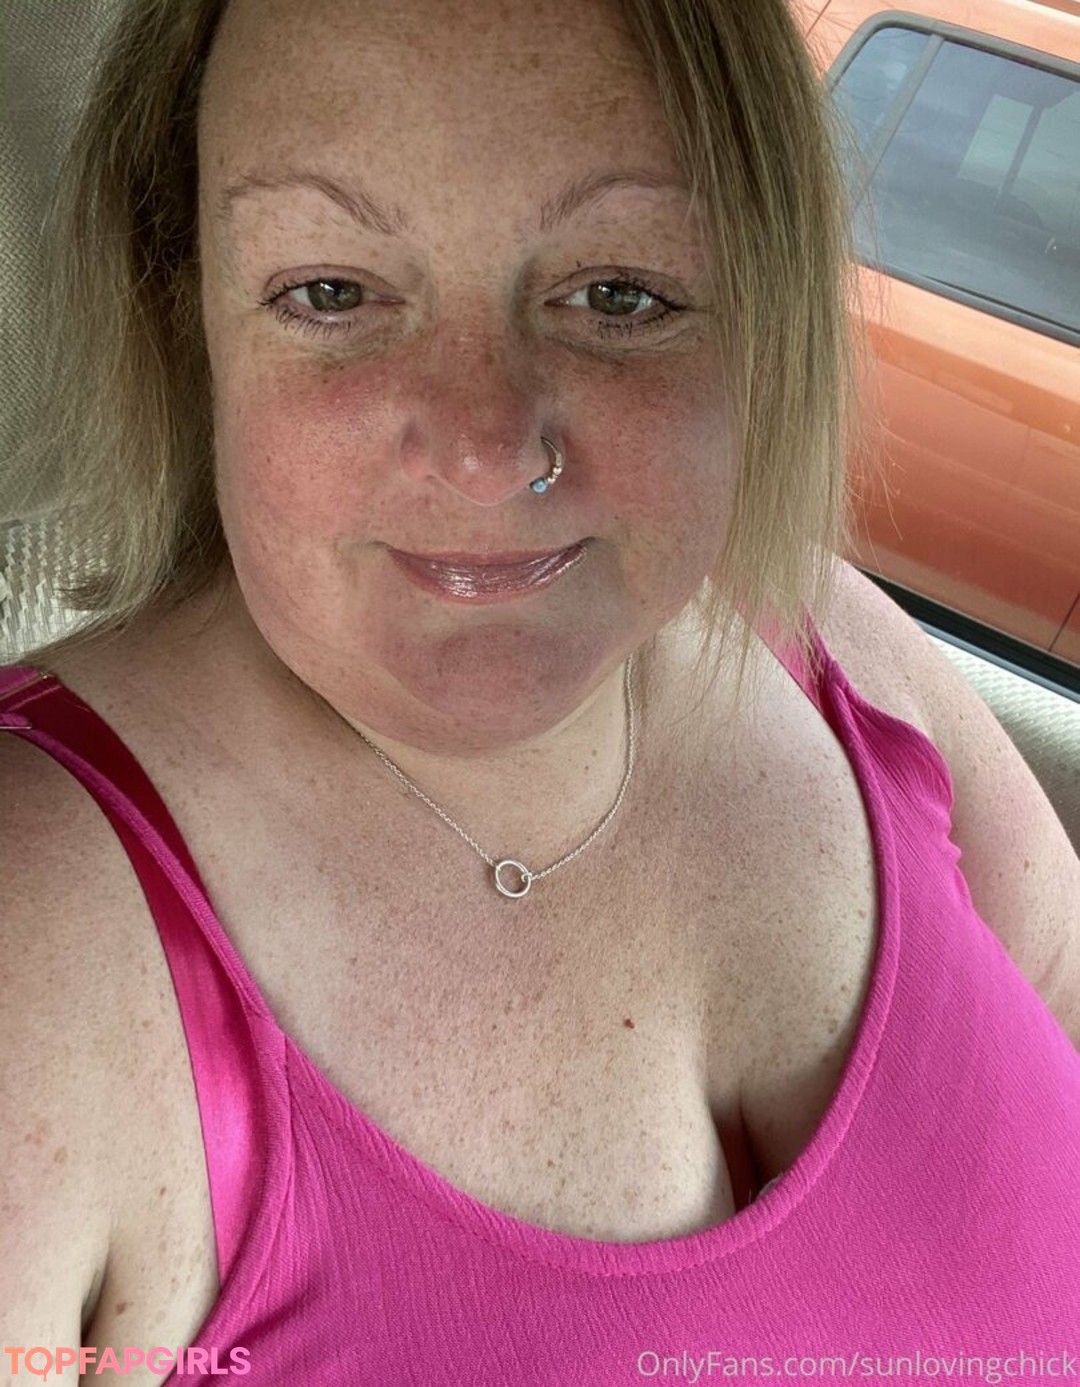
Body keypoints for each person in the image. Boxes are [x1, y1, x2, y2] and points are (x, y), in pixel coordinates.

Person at [1, 0, 1078, 1380]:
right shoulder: (37, 939)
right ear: (191, 313)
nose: (485, 450)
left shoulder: (826, 639)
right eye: (331, 292)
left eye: (618, 293)